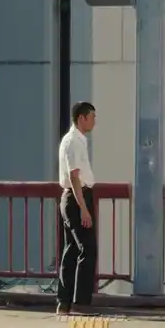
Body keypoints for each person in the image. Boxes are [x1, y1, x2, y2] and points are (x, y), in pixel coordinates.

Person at [56, 101, 98, 316]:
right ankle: (80, 302)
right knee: (87, 249)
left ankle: (64, 302)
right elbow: (74, 177)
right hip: (77, 197)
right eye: (92, 117)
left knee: (72, 249)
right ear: (81, 118)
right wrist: (83, 208)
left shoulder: (76, 140)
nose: (94, 121)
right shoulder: (74, 142)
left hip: (73, 197)